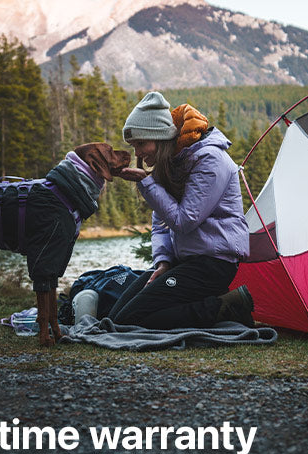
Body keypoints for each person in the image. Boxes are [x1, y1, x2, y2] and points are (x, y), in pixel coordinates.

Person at [109, 91, 254, 329]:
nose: (138, 154)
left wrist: (146, 183)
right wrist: (163, 262)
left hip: (213, 264)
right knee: (117, 318)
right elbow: (161, 224)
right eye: (134, 146)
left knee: (131, 320)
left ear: (159, 137)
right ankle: (210, 306)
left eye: (141, 144)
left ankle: (226, 309)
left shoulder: (210, 159)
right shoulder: (173, 163)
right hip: (183, 262)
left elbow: (184, 220)